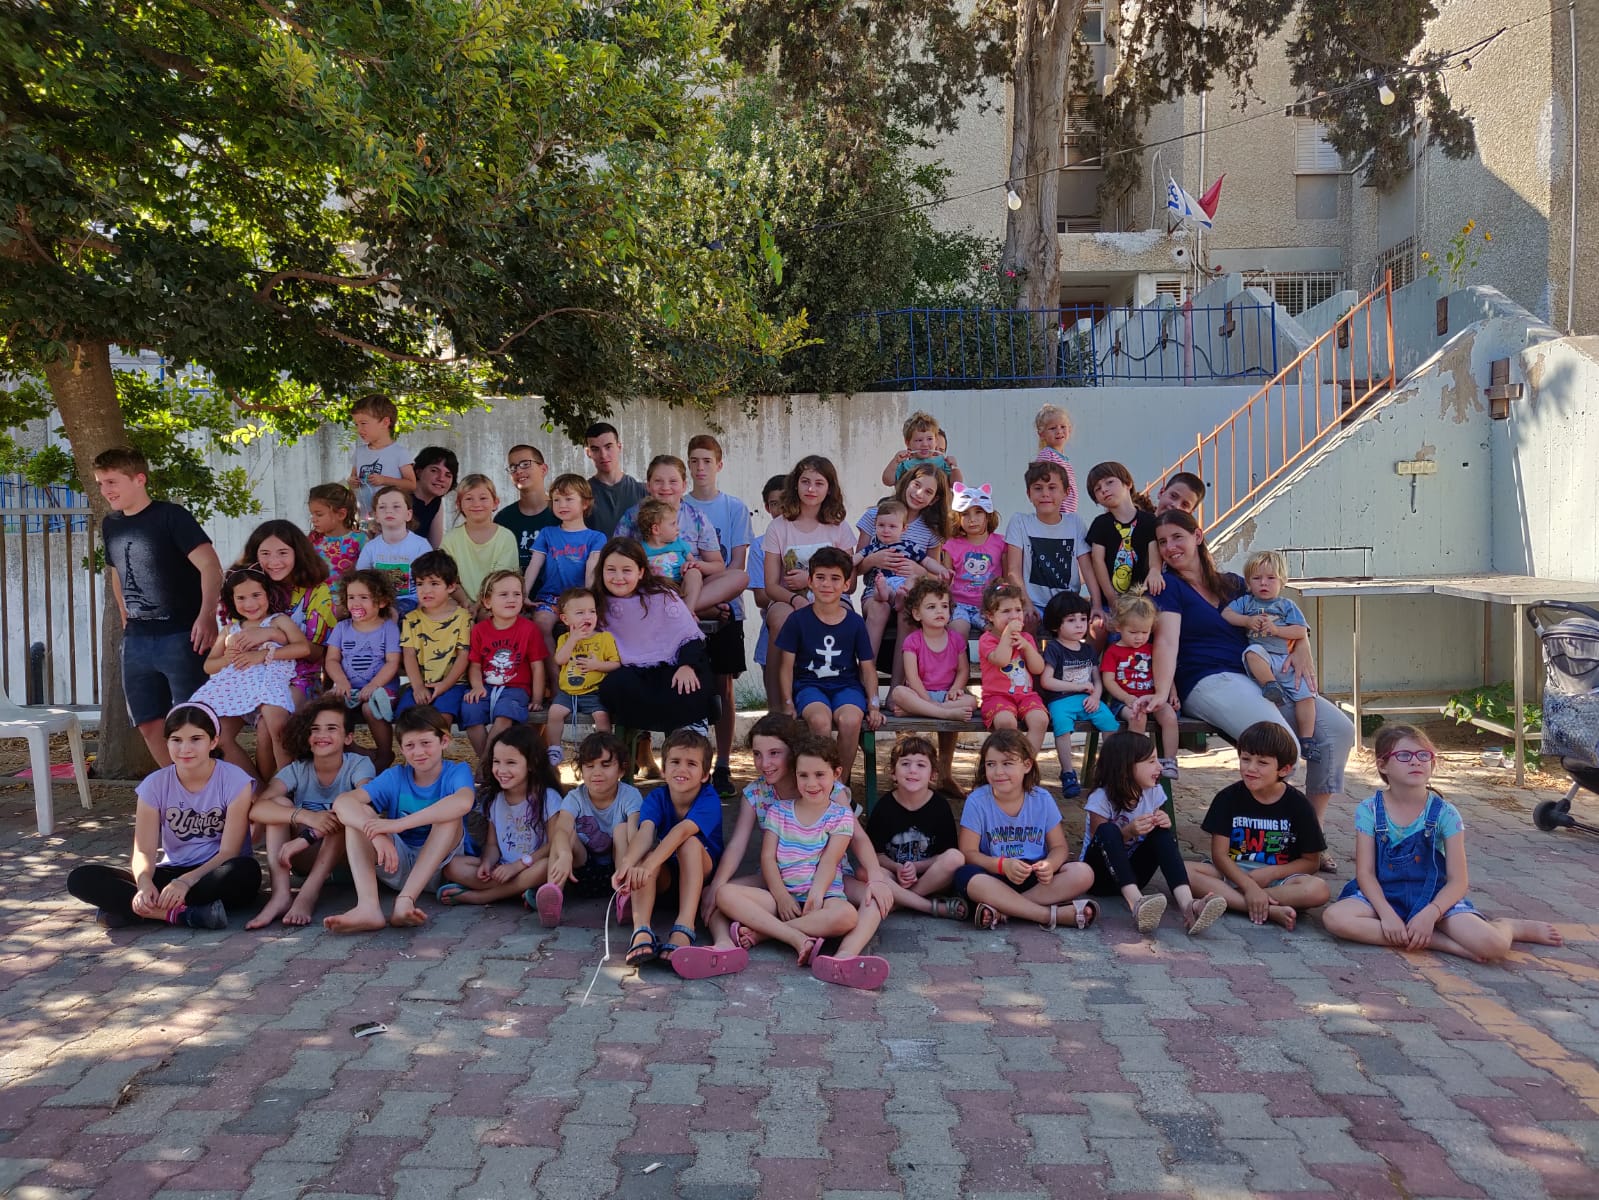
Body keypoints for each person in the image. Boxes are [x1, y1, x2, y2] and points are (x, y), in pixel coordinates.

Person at [1148, 509, 1355, 871]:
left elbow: (1286, 621)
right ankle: (1269, 843)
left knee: (1338, 731)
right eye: (1162, 542)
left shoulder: (1234, 583)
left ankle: (1313, 835)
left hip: (1262, 675)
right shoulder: (1169, 588)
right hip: (1209, 680)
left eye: (1177, 537)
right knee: (1279, 742)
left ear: (1198, 536)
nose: (1170, 547)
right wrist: (1164, 690)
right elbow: (1165, 642)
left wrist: (1303, 646)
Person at [1322, 725, 1564, 960]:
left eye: (1424, 755)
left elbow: (1458, 881)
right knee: (1335, 918)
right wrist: (1386, 914)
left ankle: (1510, 926)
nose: (1416, 761)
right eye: (1404, 755)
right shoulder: (1369, 809)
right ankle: (1442, 943)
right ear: (1383, 765)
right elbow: (1365, 874)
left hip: (1433, 898)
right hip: (1382, 895)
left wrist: (1431, 914)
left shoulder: (1446, 814)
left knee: (1494, 946)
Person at [713, 735, 890, 989]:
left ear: (836, 774)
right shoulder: (779, 811)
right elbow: (767, 858)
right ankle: (795, 936)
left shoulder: (840, 815)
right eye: (803, 775)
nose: (811, 783)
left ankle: (766, 933)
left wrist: (817, 895)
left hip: (823, 898)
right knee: (725, 894)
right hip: (780, 896)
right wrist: (782, 896)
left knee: (847, 915)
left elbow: (831, 860)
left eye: (820, 774)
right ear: (795, 775)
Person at [66, 703, 260, 929]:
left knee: (246, 873)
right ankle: (184, 915)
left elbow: (229, 852)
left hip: (214, 872)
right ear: (167, 742)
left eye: (196, 739)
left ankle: (131, 910)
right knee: (81, 878)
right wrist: (144, 884)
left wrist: (186, 882)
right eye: (176, 740)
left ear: (213, 741)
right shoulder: (155, 784)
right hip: (173, 871)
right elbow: (143, 850)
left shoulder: (235, 780)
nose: (185, 748)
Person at [93, 447, 223, 766]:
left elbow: (210, 566)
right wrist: (125, 616)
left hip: (182, 635)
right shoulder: (110, 524)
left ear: (139, 479)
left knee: (195, 723)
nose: (105, 490)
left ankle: (214, 798)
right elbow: (116, 573)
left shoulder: (171, 516)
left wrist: (207, 616)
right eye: (100, 483)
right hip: (137, 639)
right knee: (149, 723)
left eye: (111, 481)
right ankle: (179, 792)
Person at [324, 705, 474, 932]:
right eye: (410, 746)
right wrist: (375, 834)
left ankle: (405, 901)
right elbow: (342, 802)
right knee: (358, 816)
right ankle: (368, 908)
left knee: (449, 815)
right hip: (396, 860)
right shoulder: (395, 776)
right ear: (402, 749)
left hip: (439, 866)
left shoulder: (457, 771)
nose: (419, 752)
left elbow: (463, 802)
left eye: (426, 743)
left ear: (443, 741)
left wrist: (396, 824)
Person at [1079, 731, 1227, 935]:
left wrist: (1164, 822)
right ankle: (1137, 903)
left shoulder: (1154, 792)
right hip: (1099, 877)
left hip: (1136, 875)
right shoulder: (1101, 798)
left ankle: (1189, 905)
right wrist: (1128, 832)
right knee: (1108, 830)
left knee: (1162, 831)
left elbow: (1161, 837)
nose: (1159, 767)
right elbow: (1101, 842)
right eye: (1151, 761)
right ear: (1125, 767)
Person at [1186, 722, 1332, 929]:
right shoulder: (1227, 798)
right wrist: (1249, 886)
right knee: (1182, 871)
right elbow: (1219, 855)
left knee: (1318, 890)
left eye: (1262, 763)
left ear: (1284, 769)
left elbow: (1311, 862)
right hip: (1231, 871)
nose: (1250, 768)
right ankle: (1268, 909)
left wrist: (1270, 874)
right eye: (1245, 759)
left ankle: (1231, 900)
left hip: (1277, 878)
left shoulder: (1299, 805)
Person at [245, 697, 373, 929]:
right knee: (279, 804)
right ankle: (281, 895)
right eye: (315, 729)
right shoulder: (297, 769)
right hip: (303, 859)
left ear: (348, 738)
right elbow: (258, 808)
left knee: (349, 808)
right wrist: (304, 816)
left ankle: (307, 895)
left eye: (332, 728)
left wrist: (308, 836)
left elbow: (366, 803)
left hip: (346, 860)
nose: (322, 735)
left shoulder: (358, 765)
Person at [954, 730, 1098, 931]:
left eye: (1007, 763)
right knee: (966, 876)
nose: (998, 772)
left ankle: (1004, 909)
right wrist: (1003, 865)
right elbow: (968, 854)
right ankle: (1049, 915)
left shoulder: (1042, 798)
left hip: (1034, 876)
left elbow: (1059, 847)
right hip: (995, 874)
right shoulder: (977, 801)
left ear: (1027, 765)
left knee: (1083, 873)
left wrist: (1050, 864)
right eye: (991, 764)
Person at [613, 728, 724, 966]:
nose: (681, 769)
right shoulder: (657, 797)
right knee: (645, 855)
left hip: (699, 879)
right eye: (675, 762)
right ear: (663, 770)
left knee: (689, 843)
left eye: (691, 764)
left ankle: (684, 927)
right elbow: (645, 833)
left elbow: (681, 831)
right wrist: (627, 865)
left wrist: (651, 862)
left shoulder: (710, 799)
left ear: (705, 774)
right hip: (667, 879)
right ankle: (641, 929)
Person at [775, 546, 884, 787]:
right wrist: (788, 703)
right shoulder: (797, 620)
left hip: (846, 687)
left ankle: (838, 788)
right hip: (809, 686)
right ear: (810, 582)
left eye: (835, 579)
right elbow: (785, 667)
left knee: (851, 721)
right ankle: (818, 785)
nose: (827, 584)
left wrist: (873, 704)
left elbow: (867, 668)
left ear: (846, 585)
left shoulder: (855, 623)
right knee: (820, 722)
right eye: (820, 578)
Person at [683, 434, 755, 797]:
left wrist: (713, 595)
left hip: (725, 608)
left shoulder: (734, 508)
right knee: (684, 684)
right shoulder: (676, 508)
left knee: (724, 688)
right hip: (685, 610)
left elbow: (736, 569)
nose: (700, 468)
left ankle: (723, 765)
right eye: (693, 460)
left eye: (706, 461)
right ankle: (689, 765)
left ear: (719, 464)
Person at [192, 566, 307, 780]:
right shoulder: (230, 629)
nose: (250, 604)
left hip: (268, 684)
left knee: (277, 725)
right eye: (241, 598)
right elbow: (209, 666)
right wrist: (229, 657)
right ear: (232, 600)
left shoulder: (278, 621)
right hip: (236, 690)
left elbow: (303, 648)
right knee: (217, 734)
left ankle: (288, 785)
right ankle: (256, 788)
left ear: (268, 594)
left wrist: (262, 654)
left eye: (256, 595)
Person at [593, 538, 718, 733]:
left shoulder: (661, 595)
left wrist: (687, 665)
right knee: (614, 686)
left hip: (671, 666)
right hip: (628, 670)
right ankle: (640, 740)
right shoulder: (597, 604)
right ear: (601, 571)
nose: (618, 577)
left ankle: (690, 728)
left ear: (641, 572)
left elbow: (688, 636)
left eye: (627, 570)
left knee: (690, 682)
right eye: (611, 570)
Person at [438, 726, 565, 915]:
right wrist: (487, 864)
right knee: (451, 866)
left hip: (532, 865)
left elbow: (554, 844)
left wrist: (518, 866)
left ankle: (482, 897)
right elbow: (492, 845)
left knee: (548, 866)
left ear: (531, 764)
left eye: (511, 762)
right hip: (503, 869)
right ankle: (524, 892)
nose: (501, 770)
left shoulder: (548, 798)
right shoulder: (495, 800)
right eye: (497, 762)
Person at [1222, 549, 1318, 763]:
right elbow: (1226, 614)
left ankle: (1307, 740)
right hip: (1263, 655)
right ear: (1248, 583)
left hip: (1286, 659)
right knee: (1251, 653)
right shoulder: (1246, 603)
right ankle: (1270, 685)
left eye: (1270, 578)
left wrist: (1277, 631)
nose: (1263, 583)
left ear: (1282, 581)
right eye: (1257, 578)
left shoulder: (1286, 605)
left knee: (1306, 697)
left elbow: (1301, 631)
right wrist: (1246, 621)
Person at [228, 520, 335, 705]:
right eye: (265, 554)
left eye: (283, 553)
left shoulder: (317, 592)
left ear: (298, 554)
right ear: (255, 555)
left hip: (300, 677)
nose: (274, 562)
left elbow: (315, 653)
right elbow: (235, 639)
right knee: (215, 720)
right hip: (250, 673)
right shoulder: (246, 590)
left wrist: (273, 634)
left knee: (272, 710)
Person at [856, 464, 951, 670]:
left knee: (909, 609)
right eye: (916, 485)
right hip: (876, 590)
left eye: (928, 492)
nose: (918, 494)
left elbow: (935, 578)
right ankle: (865, 680)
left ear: (934, 499)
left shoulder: (930, 531)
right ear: (906, 482)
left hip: (909, 591)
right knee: (879, 608)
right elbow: (856, 568)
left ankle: (897, 687)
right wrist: (874, 560)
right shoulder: (875, 515)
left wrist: (920, 572)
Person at [761, 456, 858, 654]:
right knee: (781, 621)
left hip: (833, 597)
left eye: (819, 483)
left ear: (829, 488)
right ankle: (777, 685)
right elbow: (770, 586)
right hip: (788, 598)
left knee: (843, 619)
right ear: (795, 484)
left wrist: (810, 580)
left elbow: (851, 583)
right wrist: (796, 600)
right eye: (805, 482)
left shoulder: (839, 527)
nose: (811, 489)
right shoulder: (778, 527)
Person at [866, 736, 969, 920]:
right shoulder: (884, 807)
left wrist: (915, 866)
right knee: (864, 872)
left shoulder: (940, 806)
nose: (912, 770)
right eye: (905, 764)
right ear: (892, 772)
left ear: (933, 775)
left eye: (921, 765)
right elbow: (876, 854)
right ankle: (924, 905)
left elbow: (946, 853)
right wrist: (897, 868)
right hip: (895, 876)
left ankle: (900, 902)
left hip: (931, 877)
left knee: (956, 858)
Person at [546, 731, 643, 910]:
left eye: (605, 765)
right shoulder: (575, 798)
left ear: (621, 769)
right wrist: (566, 854)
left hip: (619, 872)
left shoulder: (630, 795)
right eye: (589, 766)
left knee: (622, 830)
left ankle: (626, 898)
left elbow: (635, 834)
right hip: (582, 873)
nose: (596, 773)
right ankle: (553, 894)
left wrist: (630, 865)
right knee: (564, 836)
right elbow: (560, 829)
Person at [1038, 591, 1118, 798]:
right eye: (1071, 620)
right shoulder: (1054, 649)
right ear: (1056, 625)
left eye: (1083, 619)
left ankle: (1109, 772)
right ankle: (1067, 772)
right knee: (1062, 726)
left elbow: (1096, 680)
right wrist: (1078, 687)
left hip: (1088, 700)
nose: (1080, 625)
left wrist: (1095, 696)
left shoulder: (1088, 650)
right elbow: (1047, 681)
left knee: (1109, 722)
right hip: (1061, 700)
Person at [461, 569, 548, 757]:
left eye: (517, 594)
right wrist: (476, 687)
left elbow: (537, 666)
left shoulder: (529, 630)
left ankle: (486, 767)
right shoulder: (479, 630)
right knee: (469, 709)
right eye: (503, 594)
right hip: (486, 686)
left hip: (516, 690)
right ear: (487, 601)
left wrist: (537, 699)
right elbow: (475, 665)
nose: (512, 599)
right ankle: (489, 762)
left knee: (505, 714)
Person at [1003, 460, 1097, 633]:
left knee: (1096, 626)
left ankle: (1083, 660)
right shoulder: (1020, 522)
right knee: (1026, 621)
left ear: (1066, 493)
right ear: (1028, 494)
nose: (1045, 493)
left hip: (1067, 604)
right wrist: (1026, 603)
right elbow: (1013, 571)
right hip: (1034, 603)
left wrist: (1096, 604)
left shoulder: (1074, 523)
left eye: (1052, 488)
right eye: (1038, 488)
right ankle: (1033, 660)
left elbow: (1088, 570)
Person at [324, 569, 402, 770]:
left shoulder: (388, 628)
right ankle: (354, 750)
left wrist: (374, 685)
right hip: (349, 687)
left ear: (382, 601)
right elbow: (332, 659)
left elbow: (392, 662)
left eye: (364, 597)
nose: (356, 603)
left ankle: (385, 753)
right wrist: (341, 681)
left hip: (380, 689)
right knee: (329, 707)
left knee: (371, 708)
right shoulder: (342, 628)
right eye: (351, 597)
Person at [1099, 593, 1180, 777]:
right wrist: (1127, 698)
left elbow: (1165, 672)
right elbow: (1108, 680)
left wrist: (1172, 693)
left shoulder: (1152, 649)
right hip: (1125, 701)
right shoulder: (1114, 651)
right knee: (1137, 717)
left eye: (1145, 632)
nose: (1139, 638)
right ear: (1119, 627)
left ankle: (1169, 760)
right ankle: (1137, 760)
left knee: (1169, 717)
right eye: (1133, 632)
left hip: (1153, 697)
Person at [524, 473, 608, 646]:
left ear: (585, 503)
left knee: (585, 628)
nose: (562, 505)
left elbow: (592, 569)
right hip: (550, 597)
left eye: (569, 499)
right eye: (556, 500)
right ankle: (554, 673)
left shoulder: (596, 537)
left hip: (579, 597)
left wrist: (588, 601)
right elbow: (534, 564)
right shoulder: (547, 533)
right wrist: (523, 594)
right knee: (541, 623)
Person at [397, 550, 471, 725]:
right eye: (420, 584)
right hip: (420, 684)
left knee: (441, 719)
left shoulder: (463, 618)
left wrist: (444, 685)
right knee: (405, 719)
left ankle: (438, 752)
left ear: (451, 586)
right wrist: (418, 687)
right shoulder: (411, 619)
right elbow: (409, 655)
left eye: (434, 583)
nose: (426, 590)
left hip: (453, 685)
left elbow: (464, 655)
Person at [976, 581, 1049, 757]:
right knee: (1006, 722)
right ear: (990, 616)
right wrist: (1007, 635)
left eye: (1017, 610)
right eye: (1006, 611)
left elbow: (1038, 669)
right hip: (997, 697)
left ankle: (1025, 763)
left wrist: (1027, 647)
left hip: (1025, 695)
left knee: (1040, 719)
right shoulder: (987, 640)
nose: (1014, 616)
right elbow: (1001, 660)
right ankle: (1009, 761)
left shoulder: (1026, 638)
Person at [547, 588, 619, 764]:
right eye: (580, 613)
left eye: (591, 611)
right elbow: (560, 659)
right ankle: (555, 748)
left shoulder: (604, 638)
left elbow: (616, 663)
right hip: (568, 693)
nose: (587, 616)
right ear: (565, 619)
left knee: (602, 716)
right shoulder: (565, 639)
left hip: (594, 692)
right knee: (554, 713)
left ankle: (605, 749)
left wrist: (597, 665)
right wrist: (573, 639)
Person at [889, 577, 976, 722]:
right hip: (919, 694)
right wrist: (927, 700)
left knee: (972, 702)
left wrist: (955, 689)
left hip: (947, 696)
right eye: (931, 607)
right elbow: (912, 677)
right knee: (898, 692)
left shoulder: (956, 639)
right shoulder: (912, 641)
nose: (939, 611)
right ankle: (943, 713)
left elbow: (963, 670)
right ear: (917, 614)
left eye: (944, 606)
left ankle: (917, 711)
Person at [1084, 461, 1157, 623]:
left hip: (1144, 599)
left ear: (1128, 484)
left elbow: (1154, 556)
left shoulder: (1150, 521)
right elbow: (1097, 561)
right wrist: (1112, 598)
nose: (1104, 489)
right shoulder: (1100, 524)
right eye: (1097, 488)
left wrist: (1154, 572)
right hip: (1111, 602)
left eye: (1109, 482)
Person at [440, 474, 520, 612]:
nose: (476, 504)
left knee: (489, 617)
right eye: (469, 499)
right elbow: (449, 579)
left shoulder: (506, 537)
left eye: (483, 498)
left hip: (495, 600)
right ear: (459, 505)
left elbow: (501, 580)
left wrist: (478, 606)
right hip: (460, 600)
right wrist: (465, 602)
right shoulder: (450, 539)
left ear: (495, 503)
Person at [355, 486, 432, 616]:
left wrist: (423, 606)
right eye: (382, 507)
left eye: (396, 506)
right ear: (376, 516)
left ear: (408, 515)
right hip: (379, 602)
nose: (389, 511)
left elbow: (430, 580)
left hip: (414, 601)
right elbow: (361, 579)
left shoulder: (420, 545)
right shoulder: (371, 547)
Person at [943, 482, 1006, 642]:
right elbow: (945, 579)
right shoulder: (951, 545)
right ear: (957, 517)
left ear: (988, 515)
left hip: (989, 606)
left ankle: (994, 665)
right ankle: (959, 667)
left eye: (978, 512)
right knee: (958, 631)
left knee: (999, 633)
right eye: (965, 514)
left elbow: (1006, 576)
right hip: (959, 605)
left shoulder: (1001, 543)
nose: (972, 519)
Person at [749, 473, 789, 711]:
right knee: (777, 706)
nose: (781, 508)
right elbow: (761, 597)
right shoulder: (759, 545)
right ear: (766, 507)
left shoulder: (809, 537)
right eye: (774, 503)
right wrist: (787, 593)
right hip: (774, 625)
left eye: (785, 501)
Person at [347, 393, 416, 521]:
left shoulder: (399, 453)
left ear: (385, 422)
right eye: (356, 424)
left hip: (391, 519)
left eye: (363, 423)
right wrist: (352, 482)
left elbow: (411, 485)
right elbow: (353, 481)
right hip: (364, 519)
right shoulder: (359, 452)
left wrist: (385, 480)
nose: (359, 429)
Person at [495, 443, 557, 572]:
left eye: (525, 464)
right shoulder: (503, 519)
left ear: (543, 469)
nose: (518, 470)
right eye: (513, 467)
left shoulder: (562, 513)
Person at [635, 497, 704, 611]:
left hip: (681, 585)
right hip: (657, 591)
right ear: (656, 529)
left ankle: (688, 611)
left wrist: (691, 566)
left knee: (694, 573)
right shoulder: (641, 549)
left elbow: (693, 563)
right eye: (673, 524)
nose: (678, 528)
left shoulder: (679, 543)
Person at [1144, 472, 1206, 597]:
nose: (1175, 505)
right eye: (1173, 496)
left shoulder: (1189, 541)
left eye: (1185, 505)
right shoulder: (1138, 524)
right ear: (1161, 492)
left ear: (1190, 512)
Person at [856, 499, 925, 602]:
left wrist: (941, 570)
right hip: (884, 582)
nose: (886, 530)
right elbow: (856, 559)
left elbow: (927, 561)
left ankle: (902, 597)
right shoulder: (874, 547)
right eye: (881, 525)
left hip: (904, 583)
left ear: (903, 529)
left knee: (913, 580)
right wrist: (846, 562)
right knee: (881, 587)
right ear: (875, 525)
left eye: (892, 526)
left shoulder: (909, 546)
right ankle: (884, 594)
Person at [584, 421, 646, 536]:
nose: (603, 455)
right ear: (588, 453)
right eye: (595, 449)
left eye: (608, 447)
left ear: (619, 447)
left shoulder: (643, 491)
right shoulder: (582, 494)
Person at [306, 483, 367, 585]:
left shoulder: (360, 539)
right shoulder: (312, 539)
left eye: (319, 514)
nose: (313, 519)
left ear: (341, 514)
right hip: (318, 598)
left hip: (348, 598)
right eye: (312, 514)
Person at [880, 410, 961, 485]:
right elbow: (887, 481)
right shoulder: (904, 465)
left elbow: (956, 484)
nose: (925, 444)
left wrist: (954, 467)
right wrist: (895, 462)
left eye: (929, 439)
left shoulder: (942, 462)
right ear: (908, 443)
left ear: (936, 440)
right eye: (919, 440)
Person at [1031, 403, 1079, 515]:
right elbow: (1044, 485)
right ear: (1041, 434)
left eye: (1063, 427)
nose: (1059, 431)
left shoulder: (1062, 458)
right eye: (1052, 428)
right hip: (1057, 514)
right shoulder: (1047, 456)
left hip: (1068, 514)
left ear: (1069, 429)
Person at [410, 445, 459, 548]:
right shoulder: (401, 498)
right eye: (434, 471)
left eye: (448, 475)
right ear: (418, 472)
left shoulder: (435, 501)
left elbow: (435, 546)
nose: (441, 478)